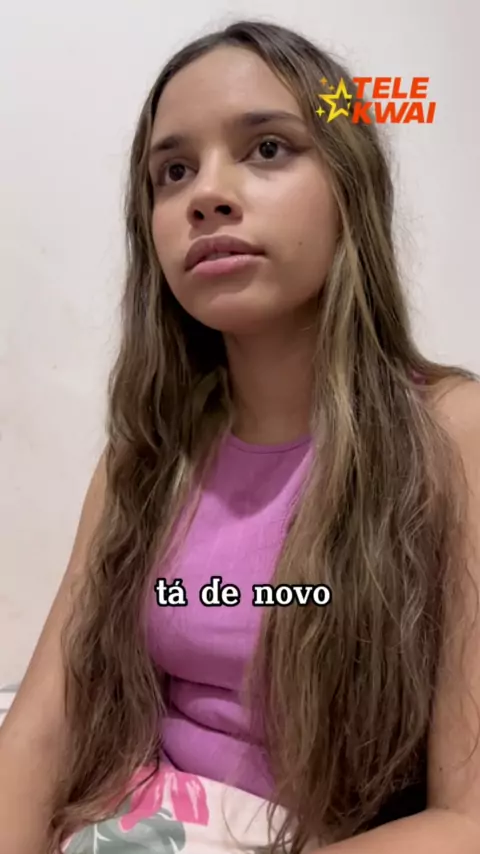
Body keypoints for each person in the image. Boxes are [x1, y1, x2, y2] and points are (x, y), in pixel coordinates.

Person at [1, 17, 480, 854]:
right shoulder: (146, 459)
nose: (207, 195)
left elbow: (468, 820)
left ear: (351, 186)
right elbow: (39, 734)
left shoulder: (453, 435)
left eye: (267, 148)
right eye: (173, 170)